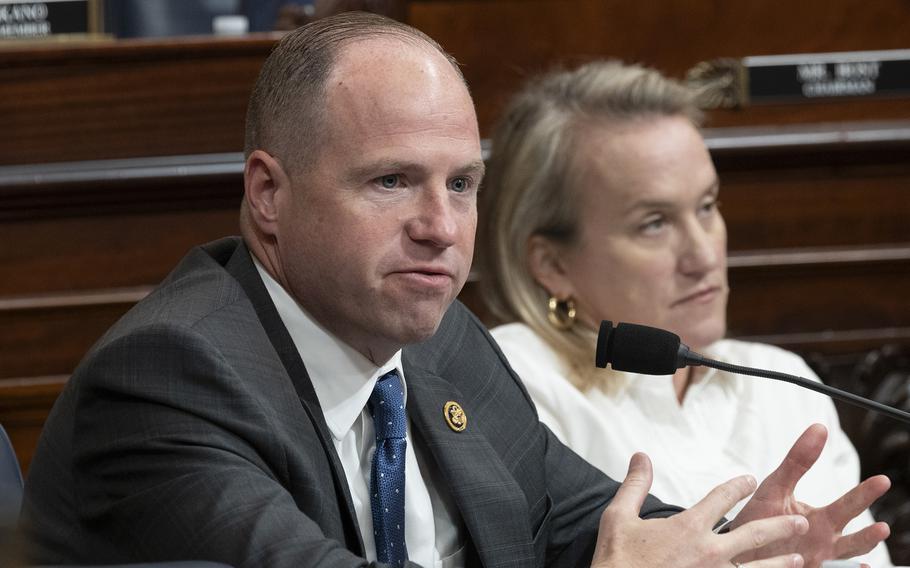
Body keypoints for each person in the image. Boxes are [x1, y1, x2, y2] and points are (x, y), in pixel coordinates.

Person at [20, 14, 888, 568]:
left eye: (463, 185)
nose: (441, 227)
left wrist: (738, 546)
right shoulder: (167, 380)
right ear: (268, 194)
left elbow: (582, 518)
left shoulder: (437, 341)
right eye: (392, 182)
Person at [477, 60, 894, 566]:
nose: (703, 255)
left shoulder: (783, 383)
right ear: (553, 264)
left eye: (706, 206)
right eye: (654, 223)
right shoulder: (507, 382)